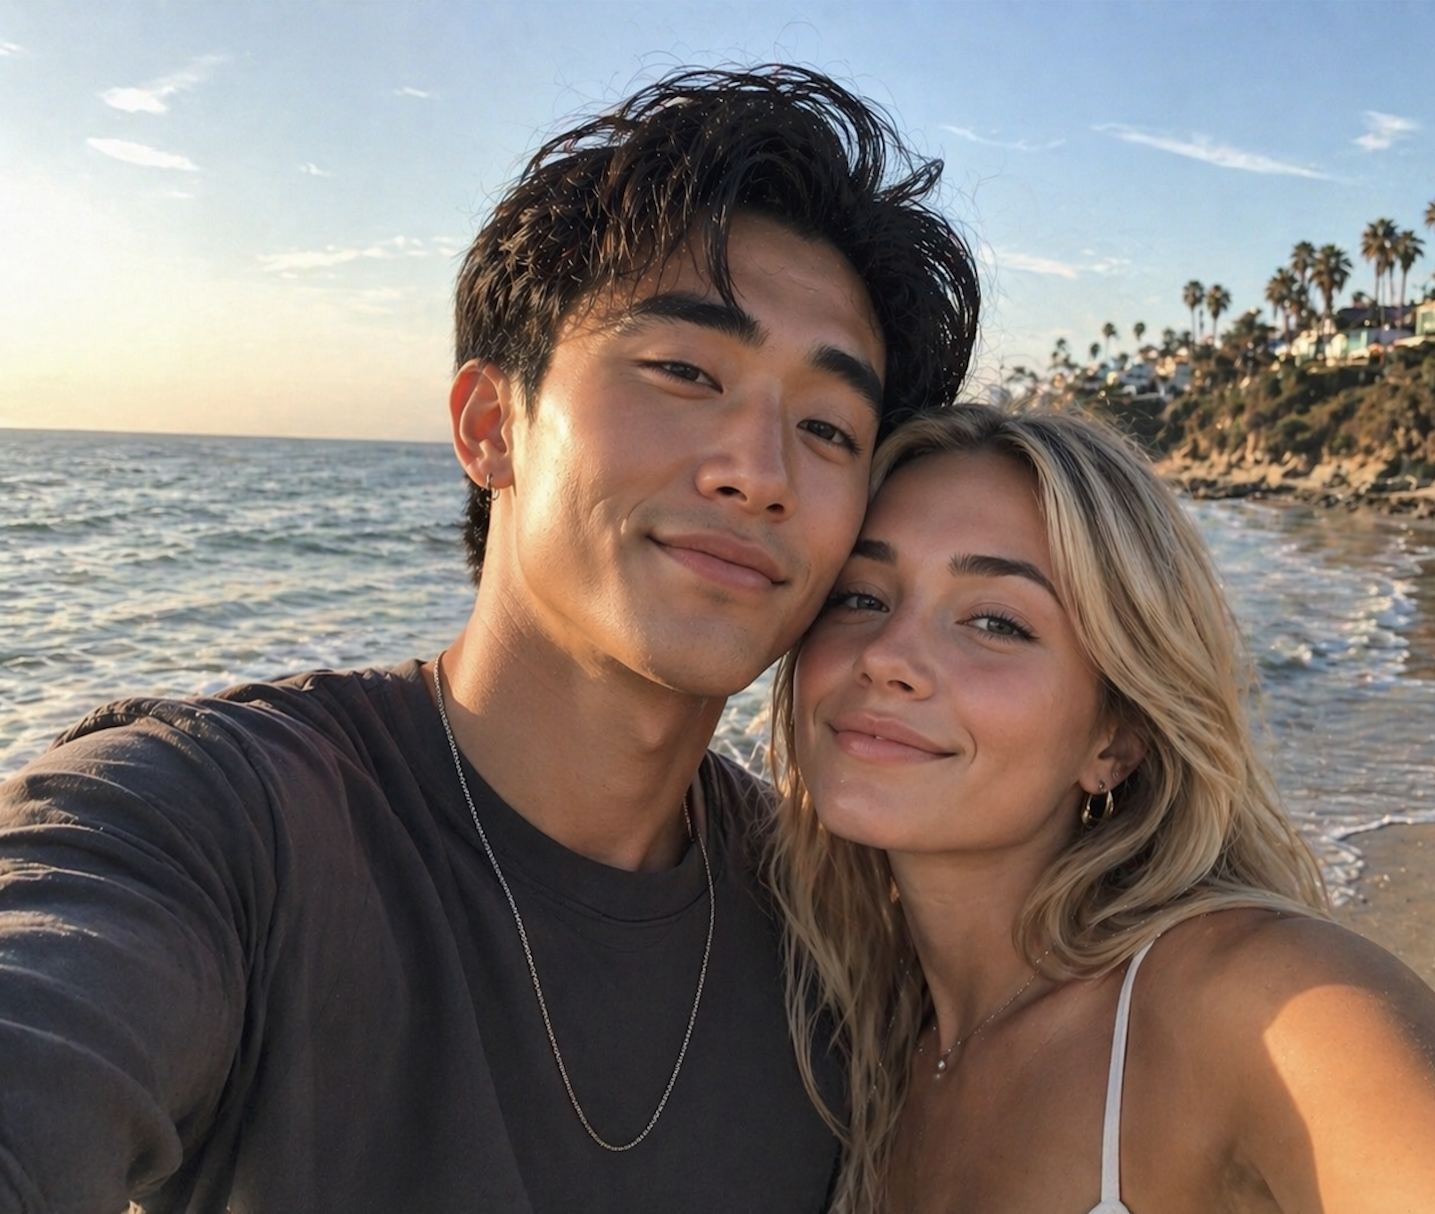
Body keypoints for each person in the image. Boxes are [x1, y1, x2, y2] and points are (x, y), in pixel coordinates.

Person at [0, 66, 978, 1214]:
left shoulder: (835, 922)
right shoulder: (217, 825)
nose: (758, 471)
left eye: (827, 426)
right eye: (684, 371)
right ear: (488, 423)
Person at [765, 403, 1435, 1214]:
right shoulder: (849, 1030)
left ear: (1116, 738)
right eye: (861, 598)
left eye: (996, 621)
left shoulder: (1257, 1005)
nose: (886, 655)